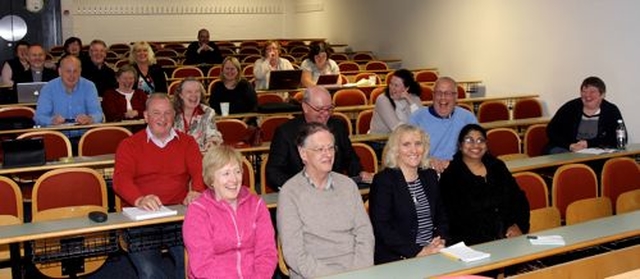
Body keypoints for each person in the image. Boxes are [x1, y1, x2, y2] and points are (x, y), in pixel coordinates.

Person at [113, 93, 205, 279]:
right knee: (149, 271)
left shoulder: (188, 143)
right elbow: (120, 179)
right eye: (156, 113)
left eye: (167, 113)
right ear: (146, 116)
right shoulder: (129, 145)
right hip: (142, 218)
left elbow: (200, 173)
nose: (162, 119)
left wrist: (196, 191)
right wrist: (139, 199)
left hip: (179, 216)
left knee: (194, 262)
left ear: (174, 116)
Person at [277, 122, 374, 278]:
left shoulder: (348, 186)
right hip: (314, 275)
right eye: (320, 149)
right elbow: (294, 254)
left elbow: (365, 235)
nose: (328, 154)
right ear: (303, 154)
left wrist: (358, 272)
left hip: (356, 271)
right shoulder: (290, 193)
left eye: (330, 148)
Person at [183, 145, 277, 278]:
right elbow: (202, 265)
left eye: (237, 172)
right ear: (211, 180)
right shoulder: (198, 211)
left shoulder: (256, 205)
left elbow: (266, 253)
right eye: (226, 173)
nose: (234, 179)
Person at [369, 124, 448, 264]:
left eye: (418, 144)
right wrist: (418, 251)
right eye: (406, 144)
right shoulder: (384, 181)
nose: (414, 150)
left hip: (433, 252)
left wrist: (439, 239)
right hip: (398, 257)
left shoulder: (429, 176)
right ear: (396, 150)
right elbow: (382, 228)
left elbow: (442, 216)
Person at [266, 86, 372, 191]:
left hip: (334, 190)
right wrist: (300, 187)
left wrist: (359, 173)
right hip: (301, 194)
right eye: (320, 109)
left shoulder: (338, 126)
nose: (325, 114)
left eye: (329, 108)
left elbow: (350, 159)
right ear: (305, 107)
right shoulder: (286, 132)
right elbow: (273, 172)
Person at [439, 124, 530, 246]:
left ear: (486, 145)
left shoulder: (498, 167)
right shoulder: (450, 175)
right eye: (469, 140)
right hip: (471, 243)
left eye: (480, 140)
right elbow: (452, 219)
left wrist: (517, 226)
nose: (475, 145)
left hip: (508, 237)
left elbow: (518, 199)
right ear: (460, 145)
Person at [409, 76, 477, 173]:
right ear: (433, 95)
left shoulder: (468, 118)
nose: (443, 97)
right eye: (438, 93)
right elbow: (408, 151)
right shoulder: (417, 118)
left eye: (448, 93)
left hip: (459, 171)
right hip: (425, 170)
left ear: (456, 96)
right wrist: (425, 160)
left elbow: (476, 150)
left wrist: (455, 163)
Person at [546, 76, 624, 154]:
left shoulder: (611, 110)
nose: (587, 95)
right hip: (567, 149)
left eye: (592, 92)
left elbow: (619, 137)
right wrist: (570, 145)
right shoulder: (570, 107)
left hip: (596, 151)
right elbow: (551, 130)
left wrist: (589, 143)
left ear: (602, 95)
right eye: (584, 91)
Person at [34, 55, 103, 139]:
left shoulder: (89, 86)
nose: (72, 75)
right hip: (56, 137)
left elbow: (98, 114)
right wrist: (52, 120)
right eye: (68, 71)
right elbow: (39, 117)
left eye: (75, 71)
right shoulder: (48, 88)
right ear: (60, 71)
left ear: (80, 71)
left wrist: (90, 119)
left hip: (85, 137)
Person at [172, 78, 222, 151]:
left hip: (199, 155)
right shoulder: (170, 112)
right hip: (175, 155)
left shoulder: (208, 112)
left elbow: (212, 134)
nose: (194, 95)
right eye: (189, 92)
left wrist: (212, 143)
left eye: (197, 91)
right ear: (181, 95)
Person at [370, 69, 423, 134]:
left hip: (407, 138)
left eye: (396, 85)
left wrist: (409, 100)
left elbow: (422, 120)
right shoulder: (382, 99)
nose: (392, 88)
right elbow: (396, 128)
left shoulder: (414, 97)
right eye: (391, 84)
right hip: (380, 141)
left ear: (406, 88)